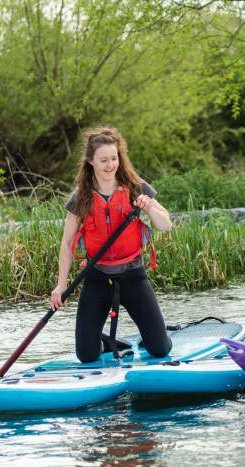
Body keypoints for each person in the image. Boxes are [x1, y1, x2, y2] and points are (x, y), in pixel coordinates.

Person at [49, 127, 173, 363]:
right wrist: (60, 286)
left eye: (114, 158)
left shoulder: (135, 186)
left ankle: (153, 334)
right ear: (91, 161)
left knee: (160, 350)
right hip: (97, 277)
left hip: (133, 274)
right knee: (86, 355)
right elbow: (66, 244)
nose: (110, 165)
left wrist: (149, 208)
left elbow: (166, 225)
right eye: (103, 160)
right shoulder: (81, 197)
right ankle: (107, 342)